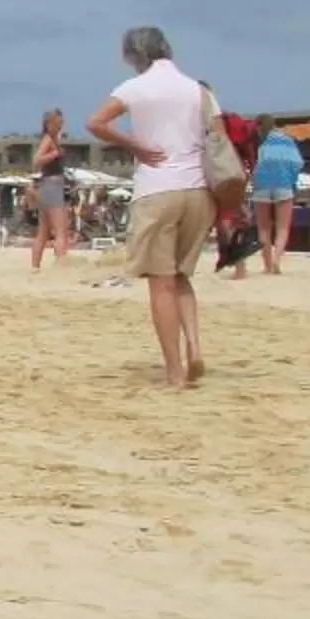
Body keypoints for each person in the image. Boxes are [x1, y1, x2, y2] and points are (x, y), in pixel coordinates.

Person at [86, 25, 211, 388]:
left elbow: (95, 122)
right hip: (198, 190)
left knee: (161, 285)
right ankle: (195, 346)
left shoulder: (135, 87)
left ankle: (175, 371)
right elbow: (216, 134)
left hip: (158, 189)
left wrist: (135, 146)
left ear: (133, 55)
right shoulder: (197, 89)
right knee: (181, 276)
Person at [251, 117, 302, 275]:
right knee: (283, 228)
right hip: (284, 185)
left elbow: (254, 165)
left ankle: (267, 265)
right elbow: (297, 164)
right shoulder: (288, 141)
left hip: (261, 186)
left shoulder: (260, 144)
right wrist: (291, 180)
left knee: (263, 228)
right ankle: (276, 260)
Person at [30, 109, 75, 268]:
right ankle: (62, 265)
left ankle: (35, 267)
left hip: (46, 187)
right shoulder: (48, 139)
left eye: (62, 123)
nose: (61, 126)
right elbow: (36, 161)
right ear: (49, 124)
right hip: (52, 187)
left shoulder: (52, 139)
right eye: (58, 123)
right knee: (61, 231)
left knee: (43, 232)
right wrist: (55, 153)